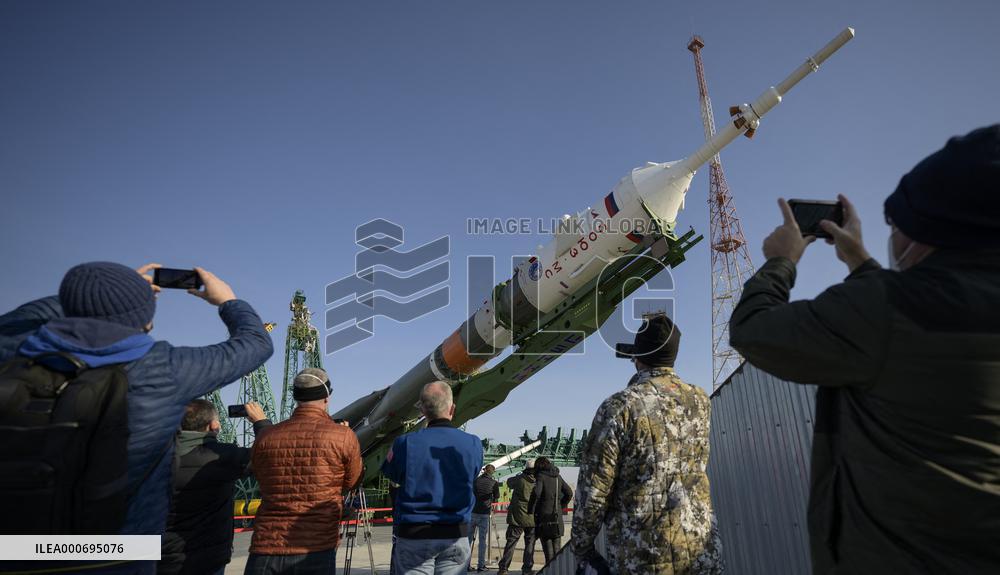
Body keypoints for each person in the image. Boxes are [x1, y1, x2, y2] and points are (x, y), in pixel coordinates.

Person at [728, 124, 1000, 573]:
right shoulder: (902, 310)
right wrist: (860, 262)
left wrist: (781, 261)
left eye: (897, 224)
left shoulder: (882, 311)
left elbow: (752, 330)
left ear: (926, 232)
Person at [0, 262, 273, 573]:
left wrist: (95, 296)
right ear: (144, 317)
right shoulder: (162, 370)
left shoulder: (13, 351)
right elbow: (256, 343)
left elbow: (15, 320)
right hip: (119, 556)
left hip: (15, 552)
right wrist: (228, 300)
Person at [570, 313, 723, 574]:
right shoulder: (699, 400)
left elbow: (594, 491)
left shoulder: (619, 407)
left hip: (642, 558)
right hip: (702, 552)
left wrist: (582, 549)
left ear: (638, 357)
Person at [245, 367, 363, 574]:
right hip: (316, 546)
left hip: (266, 545)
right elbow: (352, 481)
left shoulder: (266, 437)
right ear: (326, 397)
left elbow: (260, 475)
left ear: (296, 397)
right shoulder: (343, 436)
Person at [160, 400, 273, 575]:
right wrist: (261, 423)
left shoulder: (151, 459)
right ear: (213, 425)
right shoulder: (223, 456)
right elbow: (270, 456)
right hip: (206, 559)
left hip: (159, 557)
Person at [382, 381, 483, 575]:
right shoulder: (473, 444)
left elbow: (391, 473)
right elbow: (472, 474)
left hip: (414, 536)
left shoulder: (404, 443)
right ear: (452, 409)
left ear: (422, 410)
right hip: (456, 534)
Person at [527, 457, 572, 566]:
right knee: (557, 550)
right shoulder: (558, 477)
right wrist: (561, 506)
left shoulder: (541, 476)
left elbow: (536, 493)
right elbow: (569, 493)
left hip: (544, 518)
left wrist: (531, 510)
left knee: (548, 552)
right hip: (556, 517)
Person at [497, 459, 537, 575]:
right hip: (532, 518)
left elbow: (509, 482)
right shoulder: (539, 480)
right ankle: (527, 569)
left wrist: (520, 474)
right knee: (530, 543)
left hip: (517, 517)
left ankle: (504, 568)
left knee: (511, 542)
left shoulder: (520, 479)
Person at [468, 464, 500, 572]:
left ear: (484, 470)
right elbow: (496, 497)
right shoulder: (494, 483)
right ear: (492, 472)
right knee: (482, 541)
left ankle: (466, 564)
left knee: (468, 540)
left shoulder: (475, 481)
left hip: (473, 512)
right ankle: (481, 565)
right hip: (484, 514)